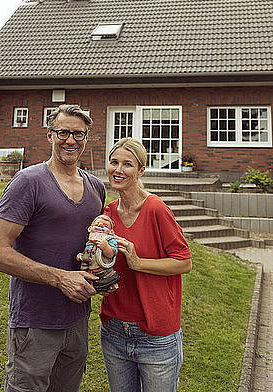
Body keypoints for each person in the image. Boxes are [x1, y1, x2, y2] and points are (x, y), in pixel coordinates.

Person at [0, 104, 107, 392]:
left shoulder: (96, 188)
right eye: (63, 132)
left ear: (87, 138)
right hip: (35, 322)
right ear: (49, 135)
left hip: (77, 319)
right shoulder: (28, 182)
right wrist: (61, 278)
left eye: (79, 134)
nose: (70, 140)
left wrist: (100, 271)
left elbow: (89, 246)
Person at [100, 138, 193, 392]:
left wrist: (138, 263)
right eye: (114, 162)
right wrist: (95, 266)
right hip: (114, 330)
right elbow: (108, 264)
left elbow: (184, 262)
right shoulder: (107, 214)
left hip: (156, 335)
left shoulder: (156, 209)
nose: (118, 170)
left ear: (141, 170)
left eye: (127, 164)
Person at [77, 214, 120, 292]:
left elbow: (111, 254)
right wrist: (81, 256)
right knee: (89, 278)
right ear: (90, 228)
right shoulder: (90, 242)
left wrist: (106, 247)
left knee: (107, 277)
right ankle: (92, 286)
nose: (100, 226)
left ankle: (110, 285)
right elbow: (88, 252)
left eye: (105, 226)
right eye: (97, 224)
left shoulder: (109, 240)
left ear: (111, 231)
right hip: (90, 267)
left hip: (103, 268)